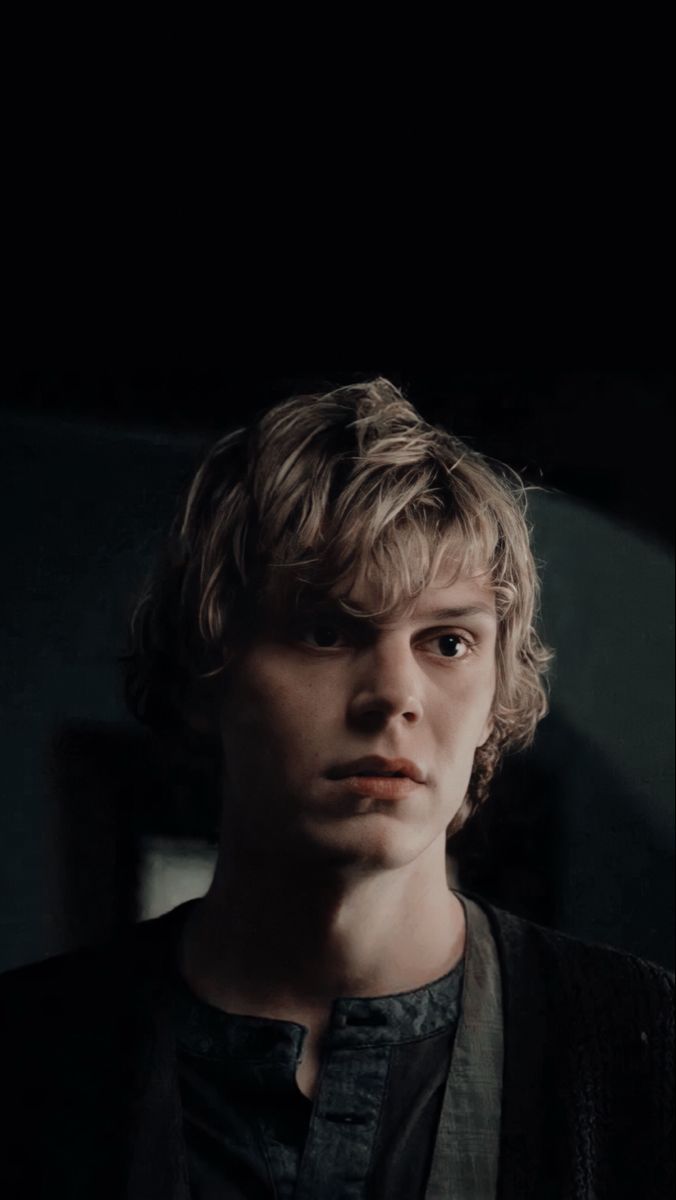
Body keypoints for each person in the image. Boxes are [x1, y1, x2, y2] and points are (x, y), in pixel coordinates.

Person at [1, 378, 673, 1199]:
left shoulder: (645, 1049)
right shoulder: (31, 1057)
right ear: (205, 673)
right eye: (325, 630)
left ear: (499, 690)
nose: (394, 694)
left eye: (449, 641)